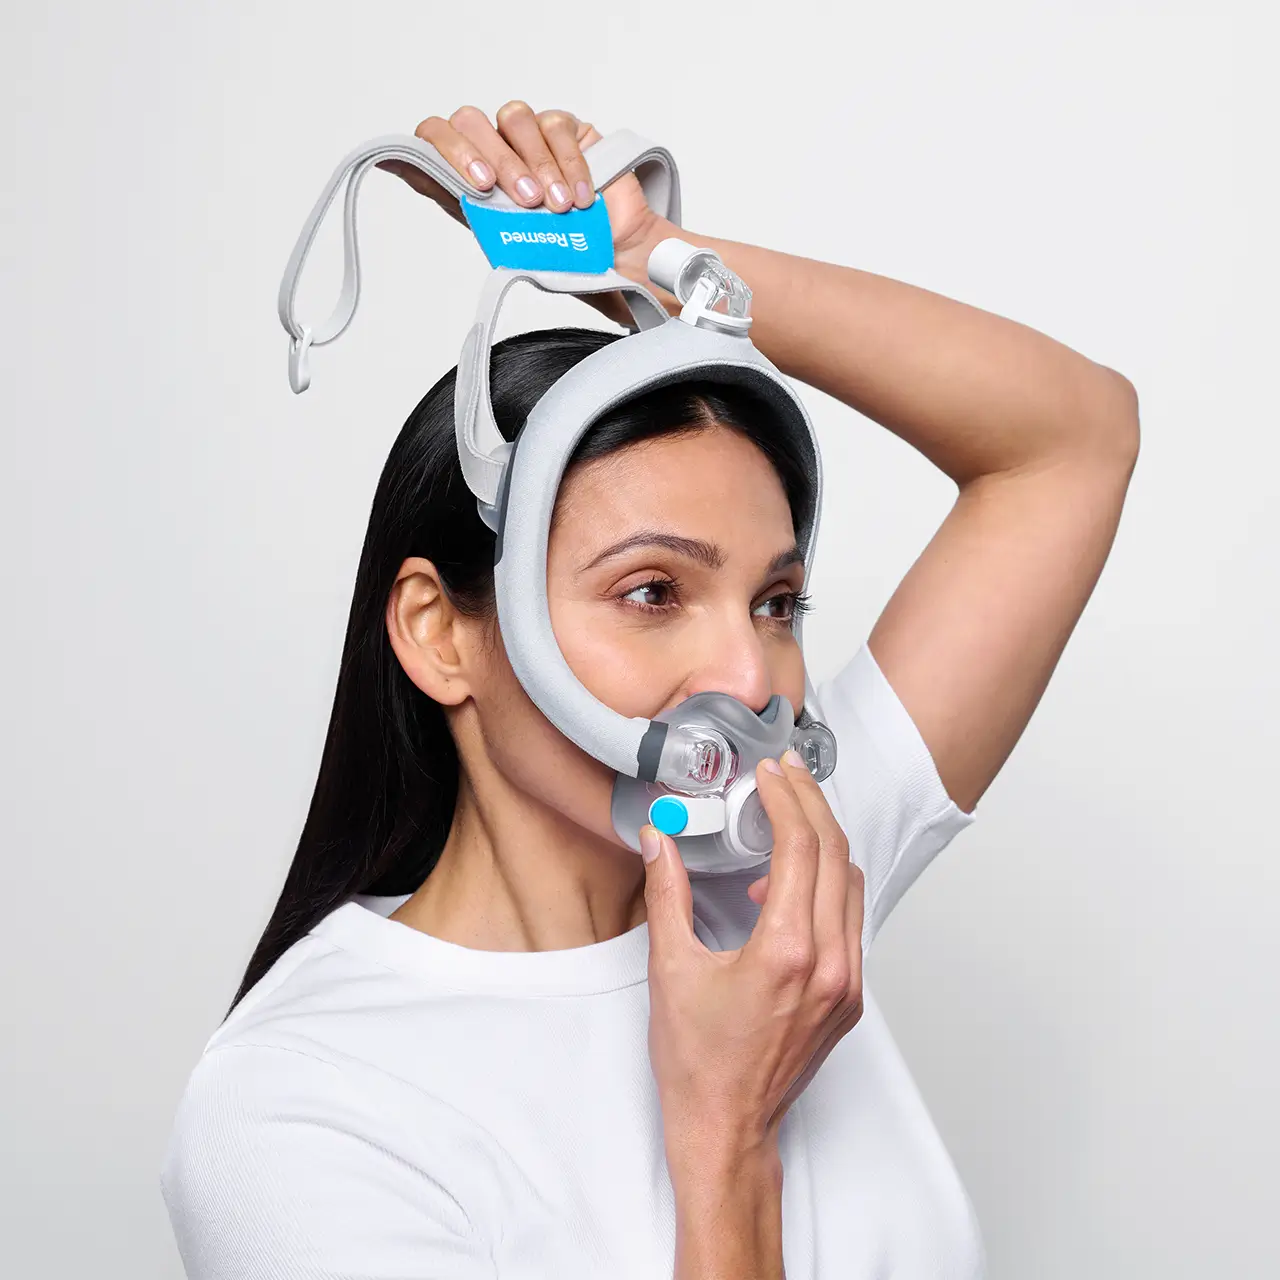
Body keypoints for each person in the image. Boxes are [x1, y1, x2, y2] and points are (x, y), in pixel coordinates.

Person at [160, 102, 1139, 1280]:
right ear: (439, 632)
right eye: (650, 591)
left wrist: (644, 261)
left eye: (775, 603)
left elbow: (1071, 438)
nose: (747, 677)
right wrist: (724, 1133)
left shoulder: (782, 894)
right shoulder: (295, 1112)